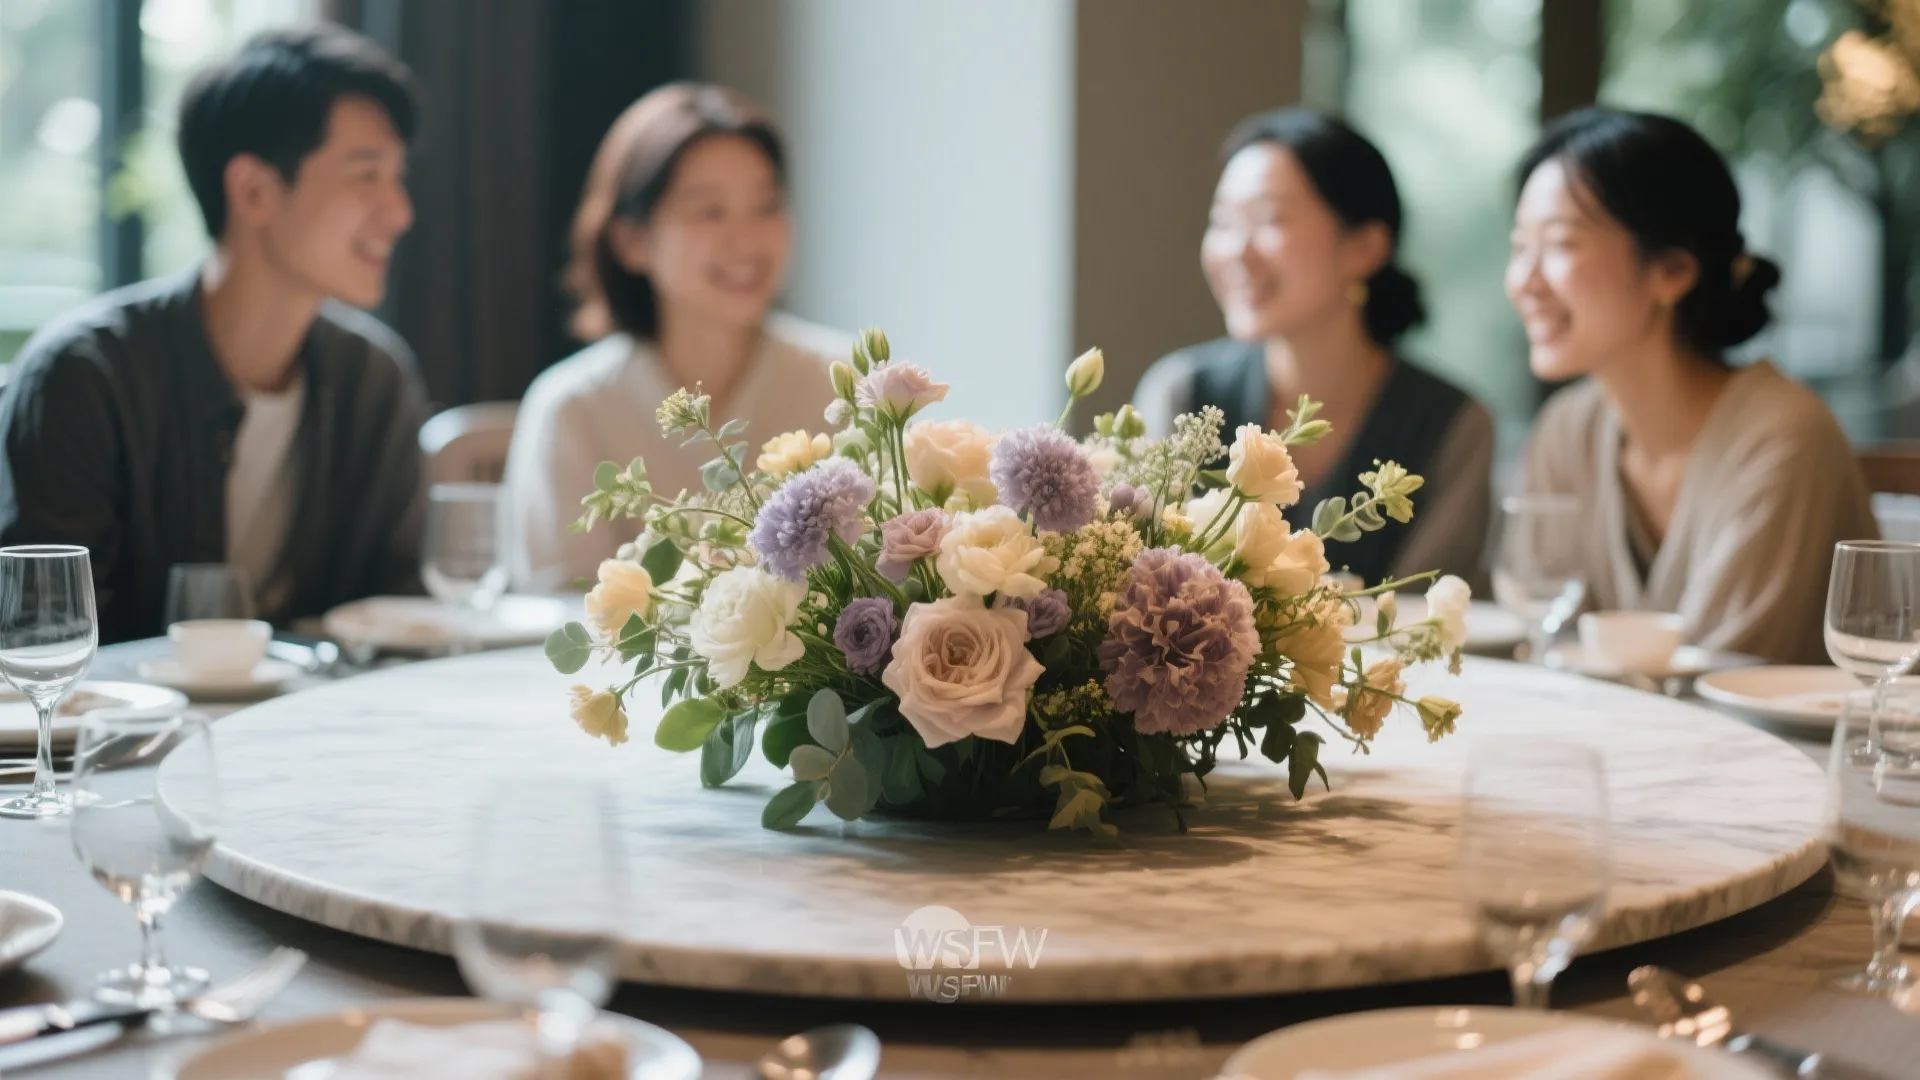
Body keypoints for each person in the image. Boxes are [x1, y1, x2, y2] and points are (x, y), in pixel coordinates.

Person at [0, 26, 428, 645]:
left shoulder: (375, 380)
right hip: (131, 739)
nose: (399, 212)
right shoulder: (84, 376)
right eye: (367, 176)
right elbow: (44, 641)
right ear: (253, 190)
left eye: (398, 177)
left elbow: (397, 613)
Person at [1510, 107, 1875, 664]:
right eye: (1519, 249)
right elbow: (1535, 642)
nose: (1524, 282)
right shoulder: (1566, 428)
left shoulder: (1783, 439)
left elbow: (1718, 681)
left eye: (1559, 245)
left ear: (1673, 271)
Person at [504, 83, 847, 591]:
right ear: (632, 241)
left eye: (767, 205)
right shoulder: (574, 409)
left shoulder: (843, 383)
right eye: (710, 211)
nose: (748, 240)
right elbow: (556, 612)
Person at [1134, 108, 1493, 588]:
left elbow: (1421, 612)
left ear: (1364, 247)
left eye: (1268, 219)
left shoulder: (1452, 426)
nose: (1236, 251)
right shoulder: (1182, 393)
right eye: (1221, 223)